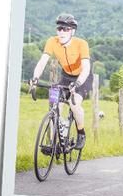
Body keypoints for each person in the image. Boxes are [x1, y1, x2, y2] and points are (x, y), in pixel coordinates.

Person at [29, 13, 93, 150]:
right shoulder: (52, 41)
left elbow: (86, 68)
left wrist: (78, 83)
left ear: (73, 31)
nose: (61, 32)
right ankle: (53, 142)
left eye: (66, 29)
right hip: (66, 75)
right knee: (55, 107)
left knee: (74, 104)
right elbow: (42, 61)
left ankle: (81, 132)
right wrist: (35, 78)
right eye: (59, 28)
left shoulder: (81, 44)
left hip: (82, 77)